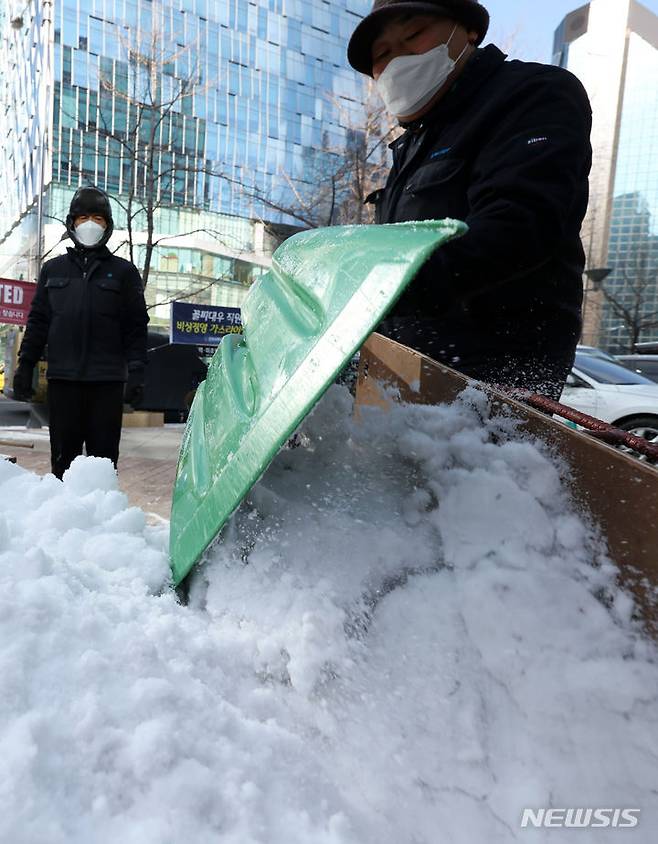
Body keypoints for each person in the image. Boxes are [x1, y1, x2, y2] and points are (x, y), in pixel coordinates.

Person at [348, 0, 592, 399]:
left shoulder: (532, 94)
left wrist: (380, 287)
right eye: (382, 55)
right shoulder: (410, 148)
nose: (398, 60)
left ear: (468, 30)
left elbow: (520, 225)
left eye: (413, 35)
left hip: (494, 377)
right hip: (402, 371)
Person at [13, 186, 148, 479]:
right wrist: (26, 364)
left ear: (107, 225)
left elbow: (136, 326)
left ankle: (101, 522)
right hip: (63, 383)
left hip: (107, 384)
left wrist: (137, 371)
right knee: (63, 464)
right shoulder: (53, 270)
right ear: (72, 223)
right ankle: (63, 521)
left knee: (103, 466)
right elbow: (38, 321)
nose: (90, 224)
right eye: (83, 217)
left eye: (97, 218)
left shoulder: (124, 272)